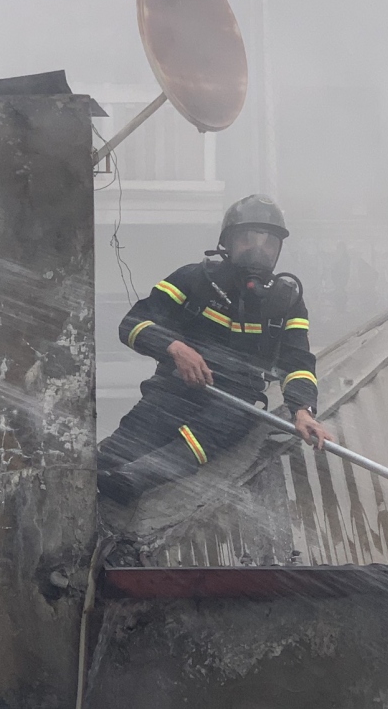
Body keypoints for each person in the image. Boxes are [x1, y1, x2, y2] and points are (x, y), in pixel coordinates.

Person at [98, 194, 334, 506]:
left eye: (269, 243)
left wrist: (302, 411)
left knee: (224, 425)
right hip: (172, 392)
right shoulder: (194, 280)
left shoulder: (285, 302)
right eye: (248, 239)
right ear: (228, 243)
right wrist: (175, 348)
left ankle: (133, 480)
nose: (259, 250)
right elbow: (132, 325)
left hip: (233, 405)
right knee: (109, 457)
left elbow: (298, 363)